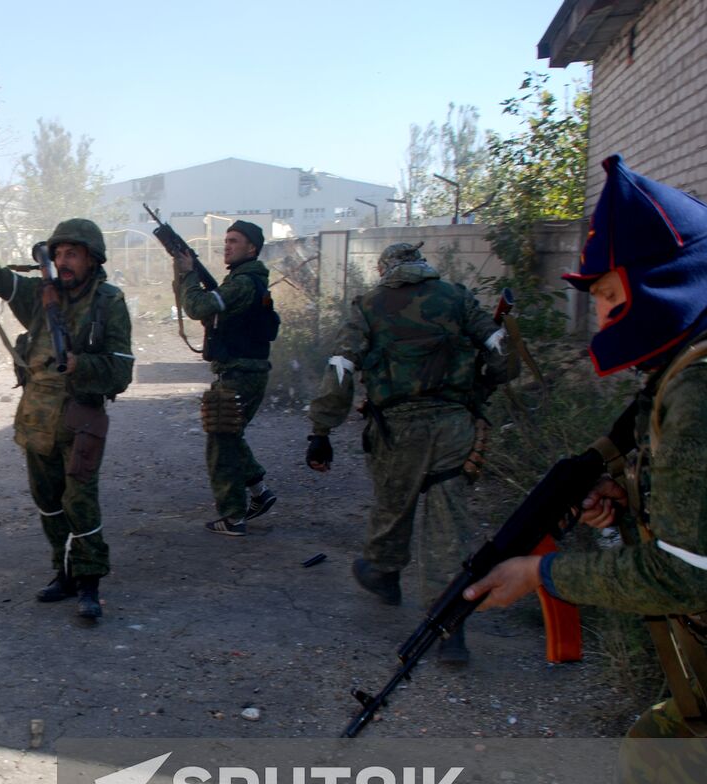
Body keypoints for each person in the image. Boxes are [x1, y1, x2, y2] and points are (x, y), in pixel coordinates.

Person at [466, 155, 707, 784]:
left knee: (669, 760)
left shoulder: (699, 385)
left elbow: (684, 575)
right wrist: (628, 494)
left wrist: (543, 573)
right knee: (665, 760)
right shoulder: (683, 369)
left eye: (608, 295)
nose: (602, 315)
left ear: (661, 278)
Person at [305, 241, 515, 663]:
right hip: (454, 426)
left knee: (392, 505)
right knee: (448, 528)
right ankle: (450, 629)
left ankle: (383, 572)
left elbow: (342, 366)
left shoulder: (369, 305)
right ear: (421, 265)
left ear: (385, 269)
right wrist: (479, 390)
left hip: (397, 430)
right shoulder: (456, 297)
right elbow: (501, 352)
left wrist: (322, 430)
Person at [0, 213, 133, 620]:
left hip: (80, 418)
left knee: (80, 502)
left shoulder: (108, 301)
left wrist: (81, 365)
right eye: (59, 254)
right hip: (36, 417)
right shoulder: (40, 294)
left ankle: (89, 581)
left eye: (73, 254)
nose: (64, 261)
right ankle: (64, 572)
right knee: (49, 502)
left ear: (92, 259)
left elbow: (122, 369)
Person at [172, 220, 279, 535]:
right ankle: (259, 492)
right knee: (229, 436)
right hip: (244, 371)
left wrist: (189, 273)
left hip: (239, 374)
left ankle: (233, 517)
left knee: (220, 444)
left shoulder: (243, 284)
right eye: (226, 240)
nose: (227, 246)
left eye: (234, 241)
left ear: (252, 248)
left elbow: (198, 307)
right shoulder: (245, 281)